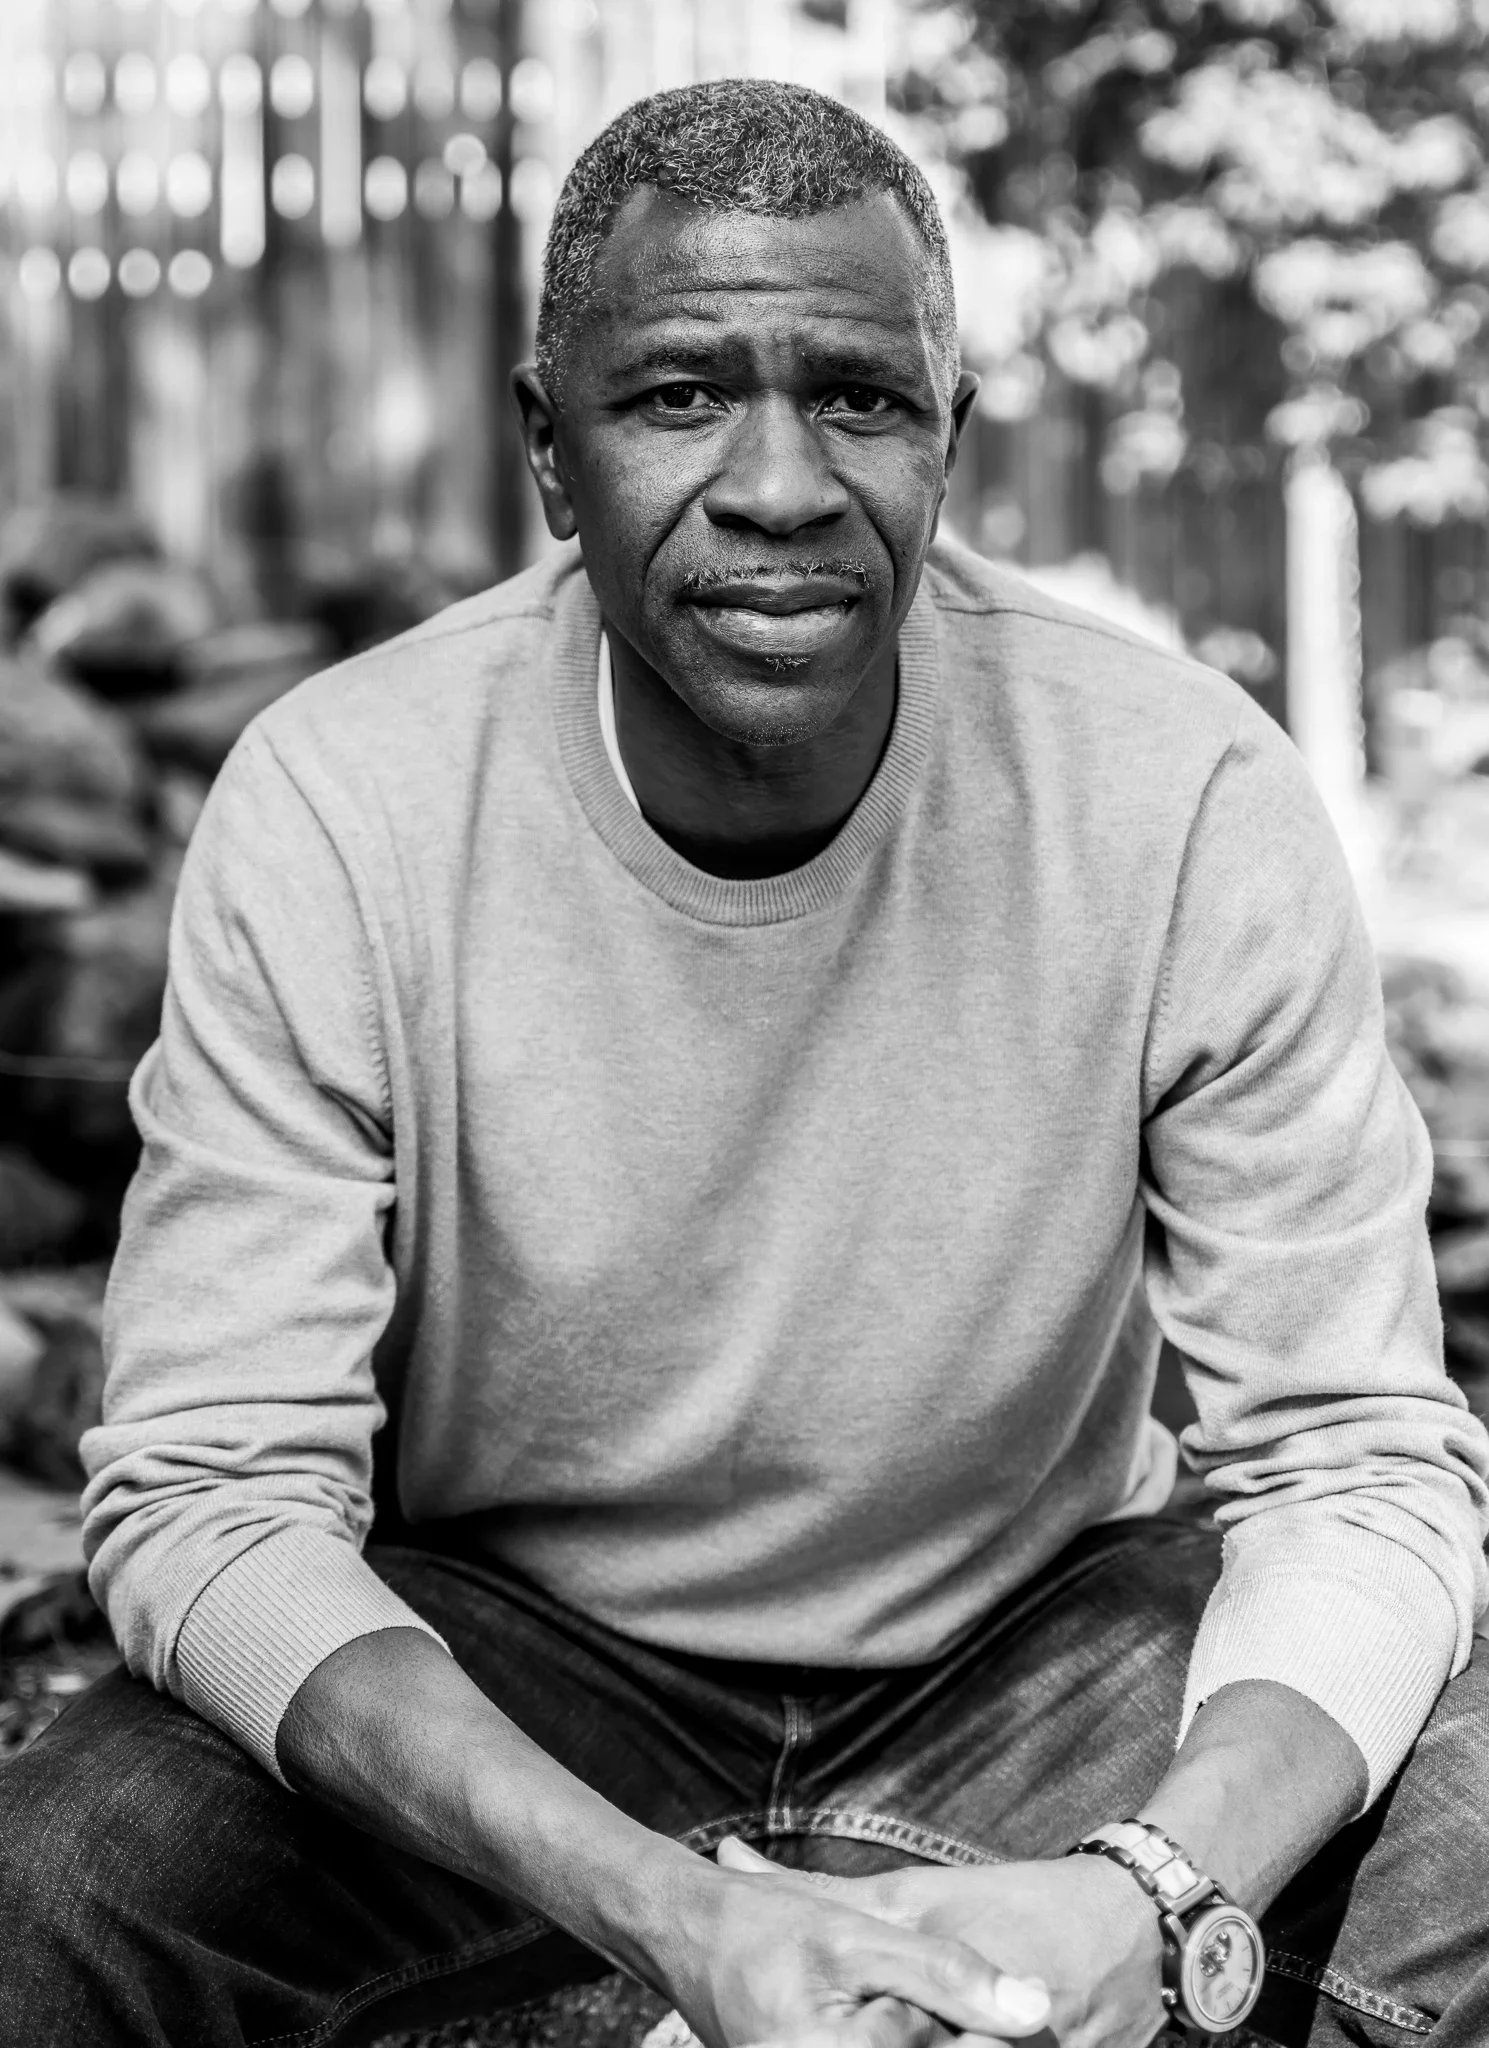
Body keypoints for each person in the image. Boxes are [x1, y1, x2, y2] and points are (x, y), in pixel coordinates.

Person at [0, 78, 1485, 2048]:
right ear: (551, 448)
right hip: (520, 1662)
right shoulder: (346, 803)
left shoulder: (1181, 790)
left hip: (1043, 1652)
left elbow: (1356, 1461)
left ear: (949, 442)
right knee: (60, 1884)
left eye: (860, 398)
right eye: (681, 394)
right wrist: (667, 1912)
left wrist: (1157, 1886)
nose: (780, 484)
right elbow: (212, 1493)